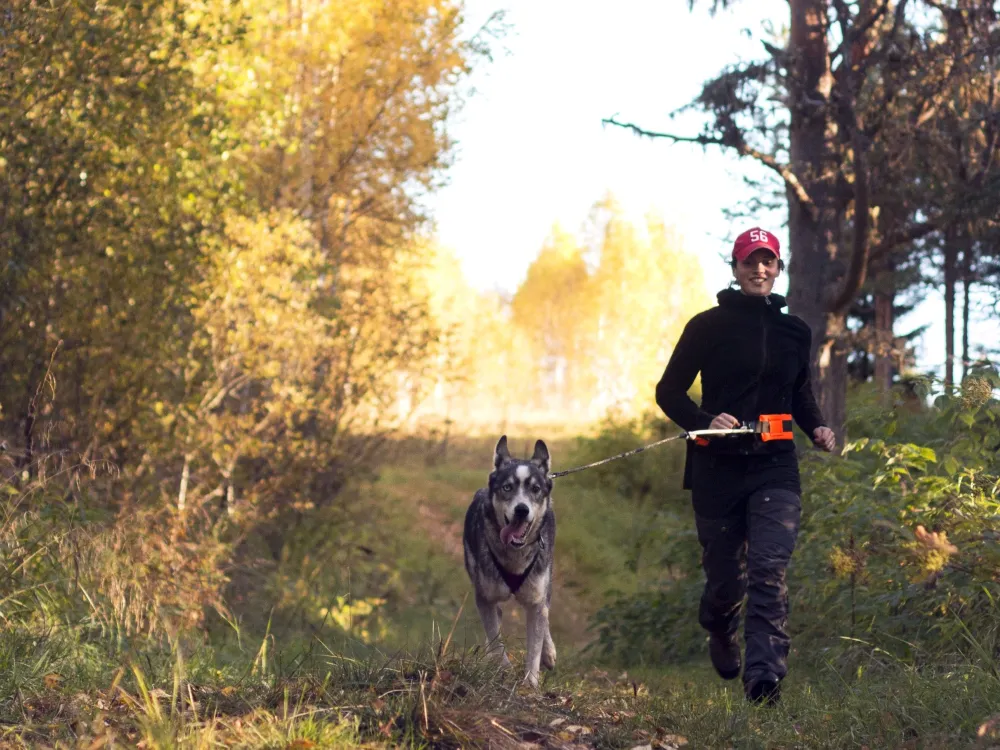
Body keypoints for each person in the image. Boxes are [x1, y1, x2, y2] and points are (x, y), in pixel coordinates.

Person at [654, 227, 835, 706]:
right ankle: (718, 624)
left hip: (776, 465)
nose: (760, 269)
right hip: (717, 469)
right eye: (750, 261)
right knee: (726, 578)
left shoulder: (795, 330)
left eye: (768, 261)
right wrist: (703, 421)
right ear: (734, 269)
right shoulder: (706, 326)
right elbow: (668, 392)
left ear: (778, 269)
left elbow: (800, 394)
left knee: (769, 566)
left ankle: (764, 681)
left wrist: (816, 427)